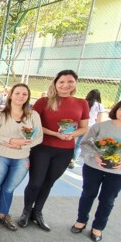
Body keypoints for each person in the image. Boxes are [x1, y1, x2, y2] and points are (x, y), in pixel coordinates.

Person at [72, 99, 121, 241]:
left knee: (107, 199)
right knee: (88, 194)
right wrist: (95, 155)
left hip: (119, 173)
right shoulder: (100, 126)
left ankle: (98, 228)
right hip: (93, 168)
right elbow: (84, 144)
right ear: (116, 109)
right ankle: (81, 220)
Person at [20, 70, 89, 231]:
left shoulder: (82, 103)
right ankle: (26, 211)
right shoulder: (44, 102)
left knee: (48, 183)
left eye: (70, 82)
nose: (66, 85)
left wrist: (72, 134)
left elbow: (84, 128)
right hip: (42, 148)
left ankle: (38, 212)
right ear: (55, 84)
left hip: (65, 151)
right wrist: (55, 133)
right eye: (62, 82)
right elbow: (33, 125)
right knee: (36, 182)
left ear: (75, 83)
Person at [0, 84, 43, 230]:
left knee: (9, 189)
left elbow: (39, 137)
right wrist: (10, 141)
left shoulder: (33, 115)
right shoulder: (0, 113)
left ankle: (3, 215)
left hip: (21, 158)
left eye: (24, 94)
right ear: (11, 95)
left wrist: (22, 145)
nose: (21, 96)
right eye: (17, 93)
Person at [70, 89, 106, 169]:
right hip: (90, 127)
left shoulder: (83, 102)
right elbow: (100, 120)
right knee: (79, 144)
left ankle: (68, 157)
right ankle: (73, 159)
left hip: (79, 124)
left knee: (72, 141)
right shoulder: (99, 106)